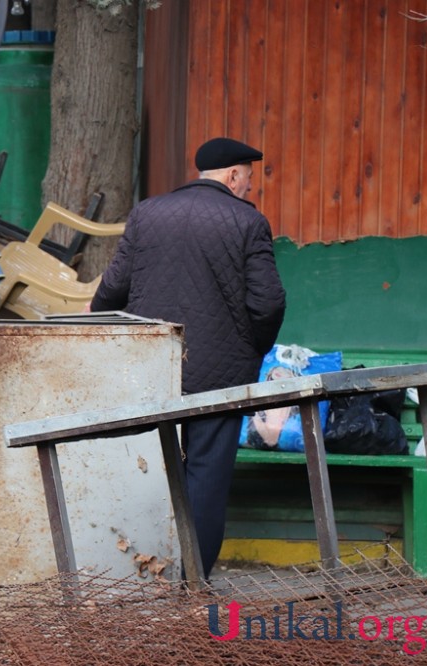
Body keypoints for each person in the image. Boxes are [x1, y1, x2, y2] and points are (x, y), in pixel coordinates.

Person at [88, 137, 287, 580]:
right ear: (233, 176)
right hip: (221, 372)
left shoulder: (147, 213)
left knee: (148, 465)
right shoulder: (247, 222)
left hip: (149, 367)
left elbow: (112, 288)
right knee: (206, 475)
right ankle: (193, 581)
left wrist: (102, 325)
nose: (249, 188)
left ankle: (136, 574)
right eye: (248, 179)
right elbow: (269, 303)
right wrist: (252, 347)